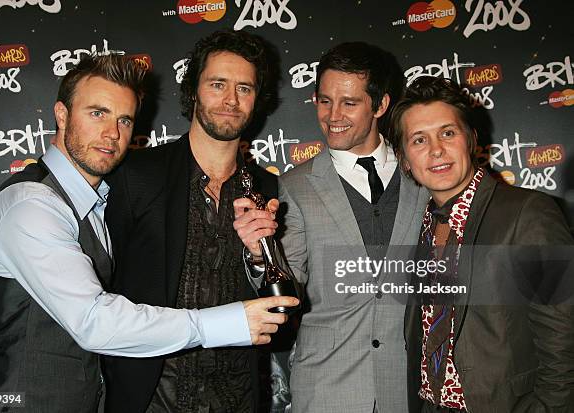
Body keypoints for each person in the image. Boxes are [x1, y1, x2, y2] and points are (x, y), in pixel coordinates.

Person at [0, 54, 296, 413]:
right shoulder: (30, 205)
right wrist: (227, 322)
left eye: (124, 119)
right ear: (61, 115)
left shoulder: (94, 201)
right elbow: (95, 320)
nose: (112, 133)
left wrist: (259, 256)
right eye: (97, 113)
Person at [234, 42, 429, 412]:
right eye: (324, 101)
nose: (333, 115)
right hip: (326, 387)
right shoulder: (296, 184)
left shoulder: (421, 175)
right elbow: (289, 290)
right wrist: (262, 257)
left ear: (381, 105)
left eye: (349, 103)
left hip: (409, 385)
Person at [102, 30, 288, 413]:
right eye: (218, 84)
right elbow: (100, 288)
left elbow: (281, 310)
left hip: (236, 396)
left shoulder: (266, 187)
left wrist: (259, 260)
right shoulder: (137, 175)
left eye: (245, 88)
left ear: (258, 100)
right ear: (194, 91)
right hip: (151, 396)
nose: (231, 101)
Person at [389, 75, 574, 412]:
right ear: (404, 159)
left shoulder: (528, 213)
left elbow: (564, 342)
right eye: (418, 140)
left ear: (471, 138)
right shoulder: (424, 225)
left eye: (447, 132)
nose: (436, 150)